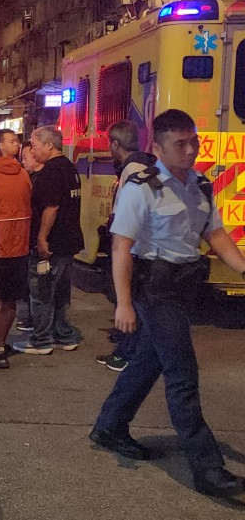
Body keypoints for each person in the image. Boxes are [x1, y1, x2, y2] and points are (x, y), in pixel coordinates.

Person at [91, 109, 245, 497]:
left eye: (194, 141)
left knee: (150, 359)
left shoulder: (201, 185)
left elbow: (216, 235)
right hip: (156, 289)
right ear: (157, 148)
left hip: (185, 286)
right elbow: (121, 246)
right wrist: (124, 303)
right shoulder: (141, 187)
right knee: (182, 375)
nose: (191, 150)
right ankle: (208, 469)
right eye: (181, 144)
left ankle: (109, 426)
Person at [11, 125, 83, 354]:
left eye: (34, 145)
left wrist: (42, 238)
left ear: (49, 144)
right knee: (61, 293)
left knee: (41, 292)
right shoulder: (70, 168)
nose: (32, 150)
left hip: (52, 244)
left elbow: (51, 207)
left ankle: (41, 340)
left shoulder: (51, 171)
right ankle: (63, 335)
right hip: (68, 242)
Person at [97, 120, 156, 372]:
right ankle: (126, 349)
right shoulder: (145, 166)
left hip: (137, 248)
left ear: (115, 144)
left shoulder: (132, 170)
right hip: (144, 246)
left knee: (135, 302)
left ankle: (127, 355)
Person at [0, 129, 32, 369]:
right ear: (0, 145)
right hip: (19, 245)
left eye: (17, 140)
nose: (17, 144)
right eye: (12, 140)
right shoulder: (24, 174)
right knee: (10, 298)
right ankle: (0, 344)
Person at [15, 139, 44, 333]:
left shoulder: (40, 180)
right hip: (28, 237)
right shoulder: (29, 177)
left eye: (25, 157)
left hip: (36, 238)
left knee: (37, 286)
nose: (23, 162)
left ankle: (37, 324)